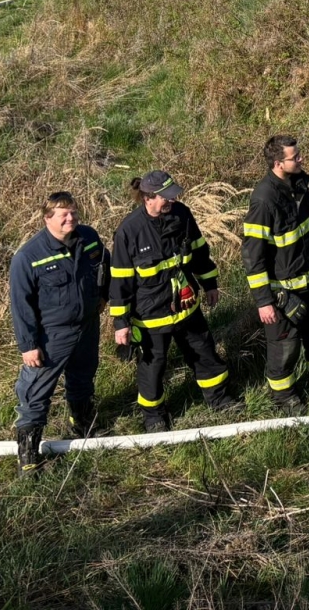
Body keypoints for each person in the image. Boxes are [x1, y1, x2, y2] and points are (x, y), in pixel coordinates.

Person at [109, 170, 241, 430]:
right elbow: (120, 280)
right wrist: (121, 322)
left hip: (186, 305)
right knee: (153, 366)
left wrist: (210, 283)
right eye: (165, 197)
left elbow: (200, 251)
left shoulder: (181, 214)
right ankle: (154, 417)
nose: (171, 200)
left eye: (172, 195)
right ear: (148, 197)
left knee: (204, 353)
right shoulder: (129, 231)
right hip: (150, 315)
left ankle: (220, 399)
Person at [8, 191, 109, 476]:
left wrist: (102, 295)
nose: (70, 218)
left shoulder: (88, 238)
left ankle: (83, 425)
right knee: (35, 392)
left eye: (74, 212)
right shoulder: (29, 256)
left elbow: (104, 263)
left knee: (83, 376)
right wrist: (29, 346)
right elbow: (20, 305)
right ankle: (28, 456)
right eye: (63, 214)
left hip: (87, 326)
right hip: (51, 336)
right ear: (47, 218)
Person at [243, 134, 309, 409]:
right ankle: (284, 398)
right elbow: (253, 256)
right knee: (285, 347)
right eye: (294, 157)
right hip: (283, 292)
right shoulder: (264, 200)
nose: (301, 159)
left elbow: (304, 235)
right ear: (277, 163)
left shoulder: (299, 184)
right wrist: (264, 300)